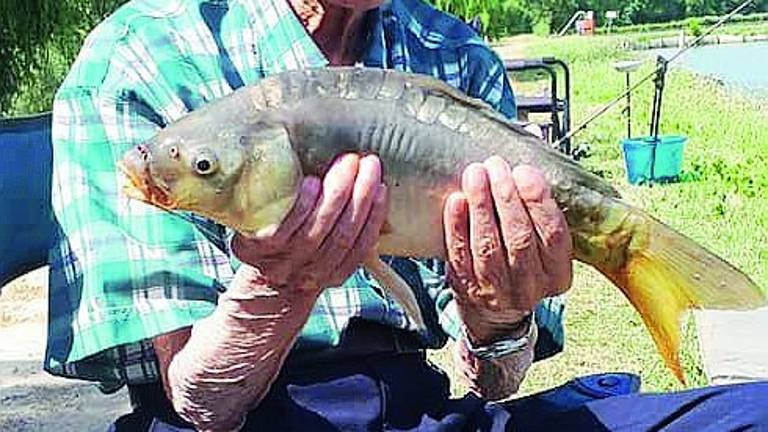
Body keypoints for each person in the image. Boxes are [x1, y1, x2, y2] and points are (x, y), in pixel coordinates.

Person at [46, 0, 768, 430]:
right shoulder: (139, 57)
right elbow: (200, 404)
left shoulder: (451, 50)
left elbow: (494, 379)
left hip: (419, 410)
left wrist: (496, 319)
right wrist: (278, 288)